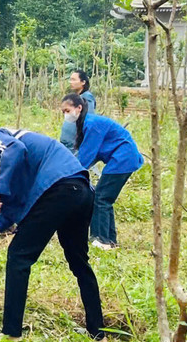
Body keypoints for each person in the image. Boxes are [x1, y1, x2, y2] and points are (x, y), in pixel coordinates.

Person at [0, 128, 103, 340]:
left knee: (19, 256)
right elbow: (14, 207)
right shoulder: (18, 167)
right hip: (80, 190)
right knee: (79, 262)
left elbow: (15, 149)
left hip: (58, 187)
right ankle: (98, 332)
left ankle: (11, 333)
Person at [61, 93, 142, 250]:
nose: (66, 115)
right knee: (104, 198)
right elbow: (91, 155)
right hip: (121, 159)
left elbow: (87, 154)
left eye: (67, 110)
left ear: (79, 108)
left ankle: (102, 240)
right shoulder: (86, 123)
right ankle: (110, 240)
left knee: (101, 198)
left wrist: (69, 175)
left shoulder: (92, 124)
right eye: (63, 112)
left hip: (122, 159)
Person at [59, 68, 96, 152]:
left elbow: (87, 118)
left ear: (83, 82)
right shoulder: (77, 97)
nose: (71, 82)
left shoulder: (86, 97)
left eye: (74, 80)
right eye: (70, 80)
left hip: (75, 144)